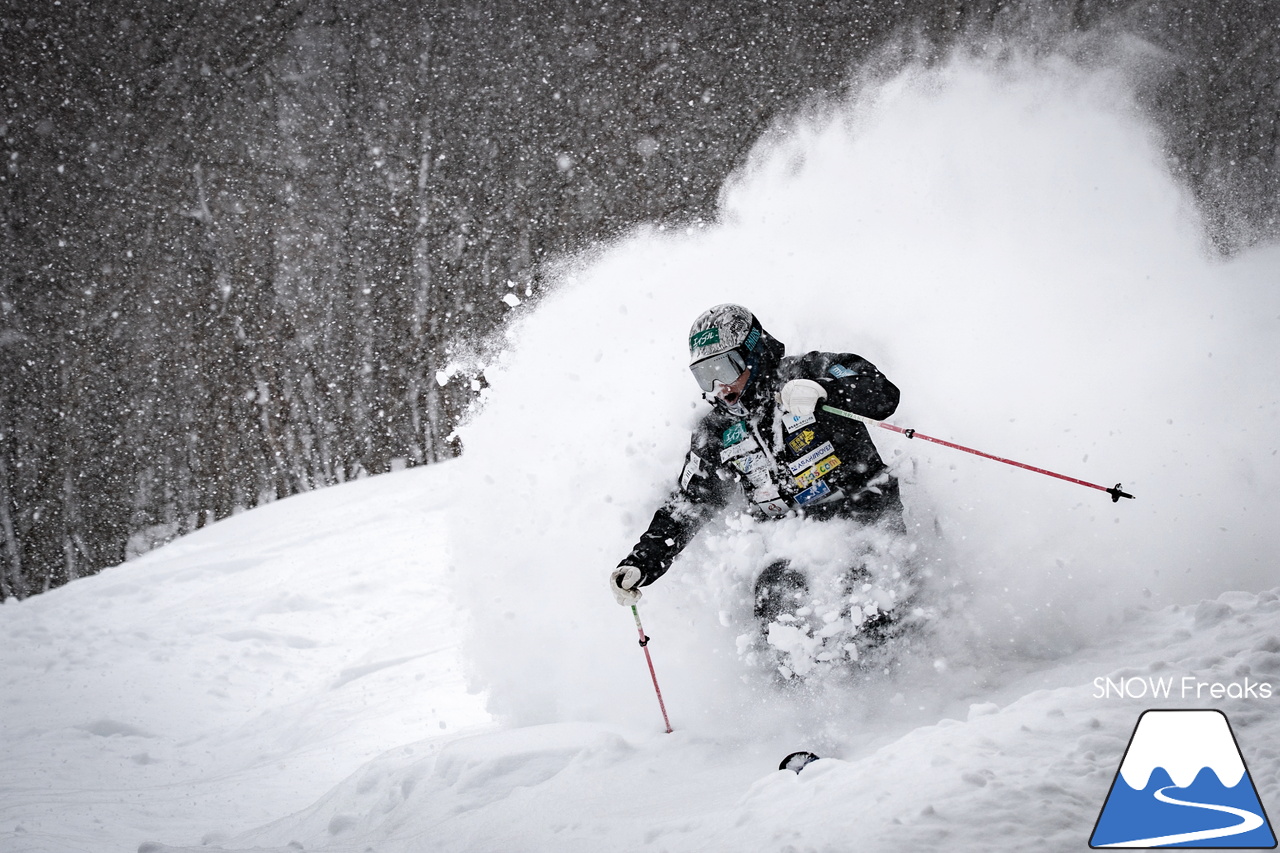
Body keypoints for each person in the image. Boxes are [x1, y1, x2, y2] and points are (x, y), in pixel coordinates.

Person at [608, 304, 910, 671]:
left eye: (725, 369)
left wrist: (824, 391)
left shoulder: (809, 372)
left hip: (862, 511)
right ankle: (796, 702)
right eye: (705, 376)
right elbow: (689, 503)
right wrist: (643, 562)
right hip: (787, 533)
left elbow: (883, 394)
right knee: (776, 597)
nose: (720, 387)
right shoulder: (716, 430)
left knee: (861, 590)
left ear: (754, 352)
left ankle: (897, 682)